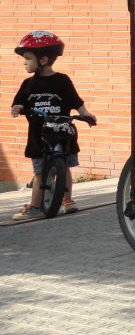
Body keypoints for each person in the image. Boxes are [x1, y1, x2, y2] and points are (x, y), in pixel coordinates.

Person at [10, 31, 97, 220]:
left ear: (42, 60)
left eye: (27, 58)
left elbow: (76, 101)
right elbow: (19, 101)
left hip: (61, 130)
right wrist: (17, 108)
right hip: (39, 134)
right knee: (40, 171)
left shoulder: (62, 80)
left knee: (64, 166)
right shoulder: (28, 84)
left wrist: (85, 114)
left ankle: (67, 200)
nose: (24, 62)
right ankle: (35, 206)